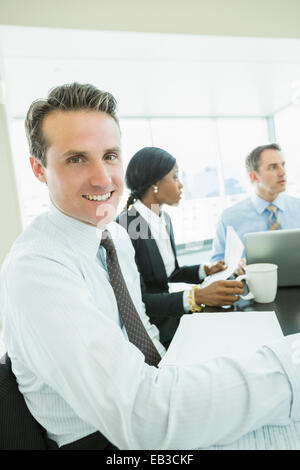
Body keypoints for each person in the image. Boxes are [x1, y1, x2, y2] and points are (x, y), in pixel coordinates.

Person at [1, 83, 300, 451]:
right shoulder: (37, 269)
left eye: (110, 155)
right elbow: (142, 418)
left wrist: (184, 370)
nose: (103, 178)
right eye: (76, 159)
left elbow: (141, 327)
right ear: (38, 168)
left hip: (157, 383)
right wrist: (289, 371)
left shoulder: (114, 236)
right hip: (104, 439)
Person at [117, 147, 243, 347]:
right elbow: (138, 302)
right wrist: (197, 296)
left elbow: (171, 273)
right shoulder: (128, 225)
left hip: (172, 317)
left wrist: (205, 270)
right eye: (175, 177)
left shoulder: (163, 219)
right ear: (156, 183)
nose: (181, 185)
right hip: (154, 329)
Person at [211, 143, 300, 269]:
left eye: (283, 165)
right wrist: (233, 266)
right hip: (252, 287)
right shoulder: (229, 218)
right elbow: (216, 261)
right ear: (253, 176)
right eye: (273, 167)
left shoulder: (298, 207)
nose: (282, 172)